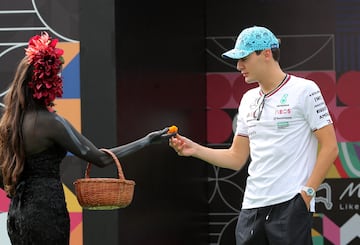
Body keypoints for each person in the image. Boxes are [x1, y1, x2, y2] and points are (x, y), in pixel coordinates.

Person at [0, 32, 174, 245]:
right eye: (58, 77)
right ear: (47, 81)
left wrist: (21, 196)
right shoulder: (51, 123)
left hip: (17, 216)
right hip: (46, 214)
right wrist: (146, 140)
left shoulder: (9, 123)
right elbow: (100, 159)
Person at [169, 26, 338, 245]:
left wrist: (306, 195)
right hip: (251, 208)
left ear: (266, 54)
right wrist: (194, 149)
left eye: (245, 58)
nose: (239, 66)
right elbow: (236, 157)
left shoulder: (305, 90)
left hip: (290, 205)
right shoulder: (248, 99)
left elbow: (330, 147)